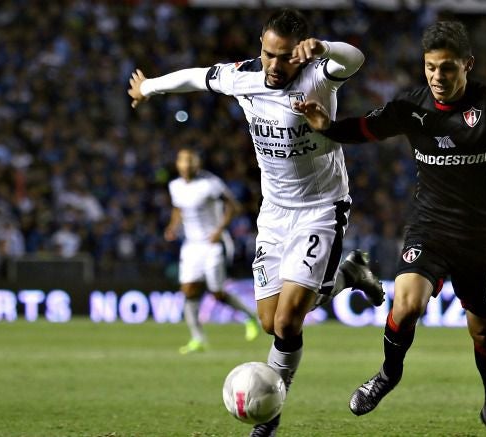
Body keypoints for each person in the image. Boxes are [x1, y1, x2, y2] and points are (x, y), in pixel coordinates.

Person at [128, 9, 384, 436]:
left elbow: (354, 58)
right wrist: (149, 88)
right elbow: (196, 77)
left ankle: (270, 416)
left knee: (286, 323)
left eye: (285, 57)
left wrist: (323, 46)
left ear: (301, 56)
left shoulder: (319, 75)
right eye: (268, 55)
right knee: (270, 321)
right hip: (275, 215)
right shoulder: (243, 76)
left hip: (321, 209)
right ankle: (348, 275)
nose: (274, 66)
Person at [294, 21, 486, 437]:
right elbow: (366, 128)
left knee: (484, 330)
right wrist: (326, 127)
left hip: (480, 238)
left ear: (467, 66)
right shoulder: (411, 107)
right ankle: (388, 374)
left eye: (447, 69)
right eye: (430, 68)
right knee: (406, 305)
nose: (438, 77)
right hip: (430, 227)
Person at [165, 147, 260, 354]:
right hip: (191, 245)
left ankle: (250, 316)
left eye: (190, 161)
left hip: (213, 243)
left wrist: (219, 230)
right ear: (178, 164)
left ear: (197, 163)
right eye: (183, 161)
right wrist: (173, 227)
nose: (187, 165)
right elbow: (178, 208)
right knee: (188, 290)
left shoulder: (210, 183)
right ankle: (197, 338)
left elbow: (233, 206)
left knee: (217, 292)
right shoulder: (175, 186)